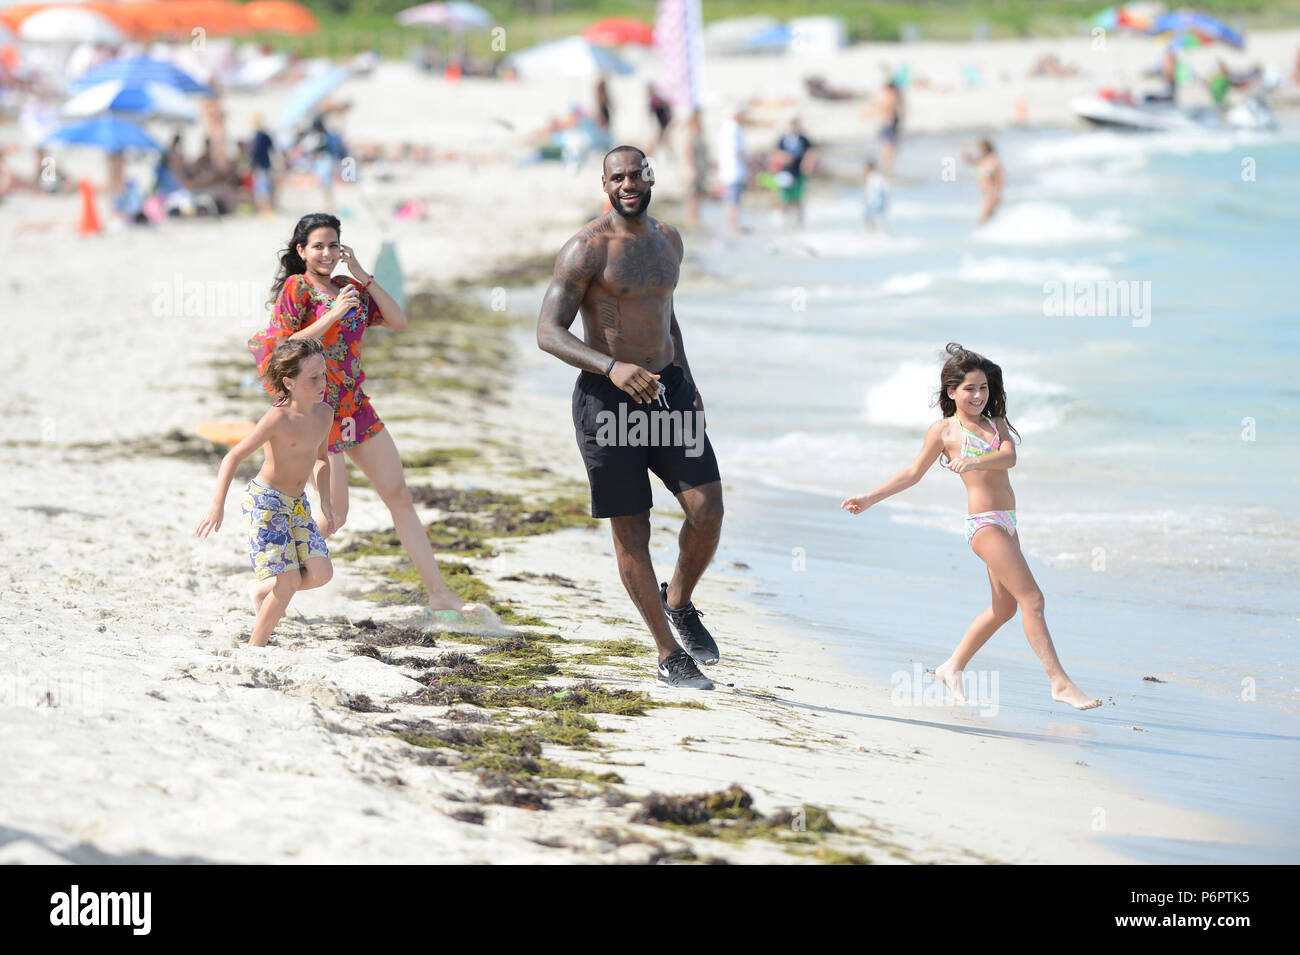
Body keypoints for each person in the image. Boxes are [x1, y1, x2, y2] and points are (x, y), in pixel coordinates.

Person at [536, 145, 724, 690]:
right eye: (617, 177)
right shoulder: (586, 249)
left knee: (707, 507)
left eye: (635, 174)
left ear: (650, 177)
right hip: (607, 398)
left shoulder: (670, 241)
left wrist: (688, 383)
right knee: (632, 529)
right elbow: (548, 331)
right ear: (604, 184)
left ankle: (680, 601)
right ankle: (668, 655)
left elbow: (667, 316)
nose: (627, 184)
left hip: (667, 390)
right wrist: (611, 366)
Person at [249, 213, 493, 629]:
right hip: (318, 411)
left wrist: (362, 276)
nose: (327, 253)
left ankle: (438, 593)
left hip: (356, 406)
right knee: (333, 516)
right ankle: (271, 584)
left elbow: (398, 321)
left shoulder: (350, 288)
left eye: (333, 245)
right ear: (302, 251)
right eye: (318, 246)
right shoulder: (297, 288)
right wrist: (331, 314)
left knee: (398, 493)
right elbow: (285, 344)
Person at [841, 343, 1101, 711]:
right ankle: (1059, 683)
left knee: (1004, 609)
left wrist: (973, 461)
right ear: (951, 392)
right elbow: (913, 474)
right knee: (1033, 599)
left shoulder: (996, 424)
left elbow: (1010, 457)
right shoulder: (944, 432)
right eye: (969, 389)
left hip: (1008, 523)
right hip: (983, 526)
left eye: (983, 388)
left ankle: (952, 666)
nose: (979, 395)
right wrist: (870, 497)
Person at [196, 339, 336, 647]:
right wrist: (217, 504)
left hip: (298, 505)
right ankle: (254, 647)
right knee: (286, 583)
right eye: (313, 377)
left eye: (324, 374)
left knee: (321, 572)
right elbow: (233, 456)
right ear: (290, 382)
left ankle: (261, 590)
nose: (322, 382)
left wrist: (325, 500)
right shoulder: (277, 418)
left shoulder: (325, 414)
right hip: (266, 502)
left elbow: (322, 459)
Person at [773, 116, 814, 229]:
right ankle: (784, 222)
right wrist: (784, 158)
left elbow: (811, 152)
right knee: (784, 198)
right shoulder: (783, 139)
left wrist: (807, 163)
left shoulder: (803, 139)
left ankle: (800, 224)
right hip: (786, 172)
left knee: (798, 199)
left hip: (799, 173)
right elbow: (776, 153)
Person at [716, 105, 750, 236]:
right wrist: (748, 163)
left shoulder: (726, 127)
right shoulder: (734, 128)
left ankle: (732, 225)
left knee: (730, 199)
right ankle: (734, 226)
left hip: (728, 171)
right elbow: (738, 151)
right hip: (734, 170)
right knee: (733, 200)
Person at [963, 138, 1004, 224]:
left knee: (983, 219)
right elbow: (967, 160)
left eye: (982, 147)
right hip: (984, 193)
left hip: (991, 193)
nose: (980, 150)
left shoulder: (994, 160)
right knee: (986, 220)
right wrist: (966, 148)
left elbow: (1001, 178)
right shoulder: (982, 160)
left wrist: (997, 193)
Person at [682, 109, 708, 230]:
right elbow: (688, 153)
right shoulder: (691, 137)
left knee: (699, 195)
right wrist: (692, 168)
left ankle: (696, 218)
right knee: (692, 195)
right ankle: (690, 219)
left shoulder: (700, 137)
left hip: (701, 170)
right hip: (695, 170)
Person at [871, 80, 903, 176]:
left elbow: (883, 108)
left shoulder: (891, 96)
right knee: (888, 147)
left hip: (889, 122)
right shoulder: (895, 96)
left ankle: (887, 169)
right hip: (890, 122)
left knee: (887, 147)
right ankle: (887, 168)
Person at [249, 114, 277, 214]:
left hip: (261, 165)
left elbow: (255, 152)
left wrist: (251, 165)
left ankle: (267, 209)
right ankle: (267, 209)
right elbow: (272, 148)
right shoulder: (264, 135)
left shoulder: (258, 136)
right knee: (265, 187)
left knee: (263, 188)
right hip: (266, 164)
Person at [863, 157, 887, 229]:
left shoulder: (874, 178)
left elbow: (878, 193)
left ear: (869, 168)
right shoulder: (876, 177)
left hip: (874, 205)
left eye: (865, 167)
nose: (864, 170)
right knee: (874, 223)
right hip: (875, 205)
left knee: (871, 223)